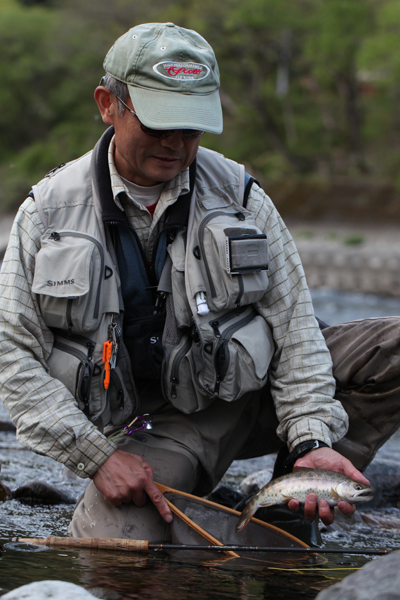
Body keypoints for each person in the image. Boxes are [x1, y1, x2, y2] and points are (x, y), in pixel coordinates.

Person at [0, 22, 369, 540]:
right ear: (108, 104)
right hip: (151, 430)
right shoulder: (46, 213)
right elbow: (12, 354)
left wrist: (311, 440)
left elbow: (297, 330)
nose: (176, 144)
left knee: (389, 349)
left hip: (253, 397)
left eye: (191, 129)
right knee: (115, 549)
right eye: (159, 125)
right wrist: (99, 457)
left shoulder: (242, 197)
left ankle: (295, 497)